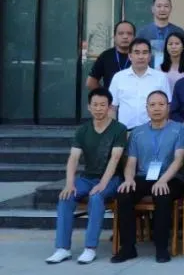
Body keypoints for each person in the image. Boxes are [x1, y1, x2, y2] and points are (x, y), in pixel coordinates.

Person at [46, 88, 126, 265]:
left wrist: (103, 184)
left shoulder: (119, 129)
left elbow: (115, 158)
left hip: (111, 178)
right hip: (87, 177)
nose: (98, 109)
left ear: (109, 107)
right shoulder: (83, 130)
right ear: (89, 107)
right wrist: (69, 184)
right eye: (95, 105)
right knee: (66, 197)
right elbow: (73, 158)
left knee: (96, 197)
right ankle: (62, 248)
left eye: (102, 105)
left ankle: (90, 248)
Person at [111, 91, 184, 263]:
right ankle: (128, 248)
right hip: (143, 177)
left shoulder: (180, 130)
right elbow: (131, 162)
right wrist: (129, 179)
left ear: (168, 107)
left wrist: (163, 180)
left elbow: (179, 160)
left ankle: (161, 248)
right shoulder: (137, 132)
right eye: (152, 105)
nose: (157, 108)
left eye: (161, 104)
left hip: (170, 178)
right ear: (146, 108)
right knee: (124, 194)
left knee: (162, 194)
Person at [109, 38, 172, 129]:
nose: (141, 57)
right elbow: (112, 108)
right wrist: (114, 131)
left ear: (149, 56)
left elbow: (167, 107)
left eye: (145, 53)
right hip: (125, 131)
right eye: (137, 53)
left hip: (153, 131)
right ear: (130, 56)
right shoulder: (118, 77)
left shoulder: (160, 77)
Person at [136, 0, 184, 68]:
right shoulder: (143, 32)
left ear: (170, 9)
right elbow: (136, 54)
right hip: (149, 71)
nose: (162, 9)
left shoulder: (178, 31)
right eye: (159, 6)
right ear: (152, 9)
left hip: (172, 71)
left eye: (166, 6)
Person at [87, 21, 136, 91]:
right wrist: (106, 95)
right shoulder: (105, 56)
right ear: (114, 37)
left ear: (134, 37)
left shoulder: (140, 56)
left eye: (129, 33)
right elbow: (90, 83)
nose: (125, 37)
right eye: (121, 33)